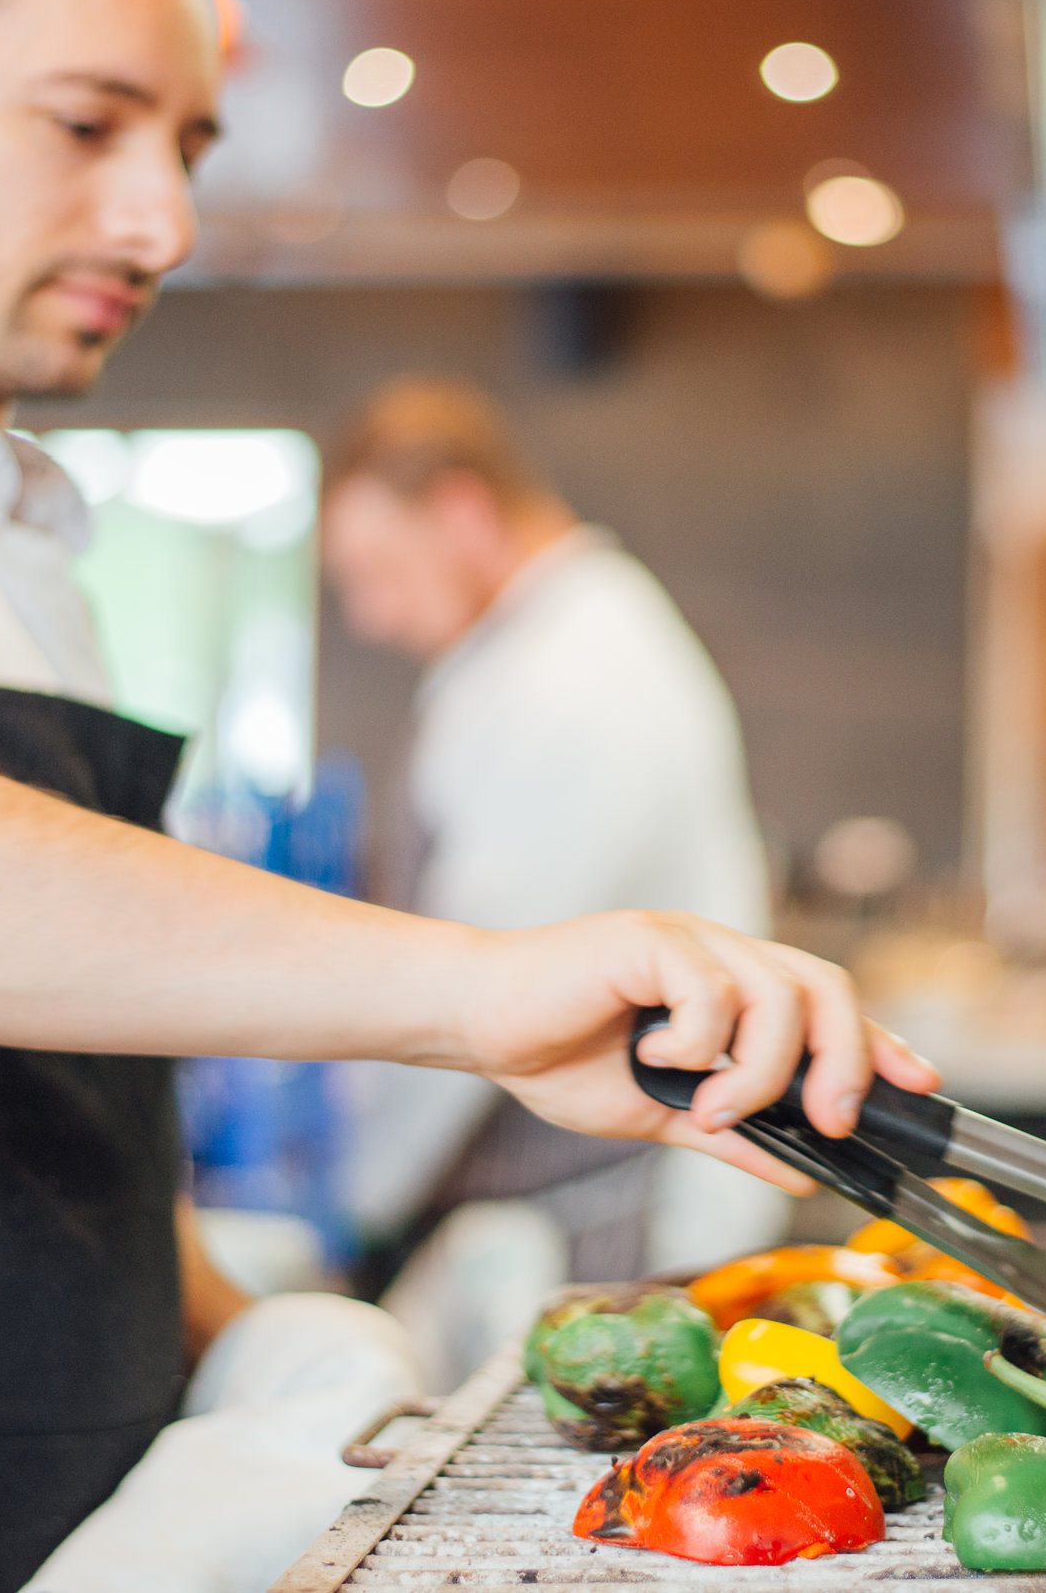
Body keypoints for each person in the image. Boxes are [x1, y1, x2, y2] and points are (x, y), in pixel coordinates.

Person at [0, 0, 933, 1591]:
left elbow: (48, 1130)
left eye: (190, 145)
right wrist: (473, 993)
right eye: (87, 126)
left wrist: (291, 1352)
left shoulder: (27, 568)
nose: (162, 222)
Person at [319, 380, 791, 1379]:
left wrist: (356, 1202)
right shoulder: (537, 652)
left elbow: (475, 977)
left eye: (378, 572)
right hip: (561, 1197)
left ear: (460, 511)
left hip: (606, 1217)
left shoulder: (573, 678)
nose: (369, 615)